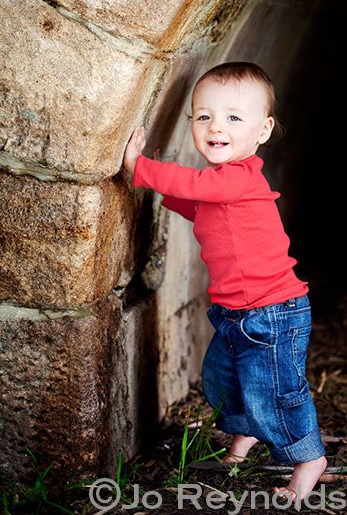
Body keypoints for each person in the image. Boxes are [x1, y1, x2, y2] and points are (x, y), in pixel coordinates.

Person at [123, 62, 327, 501]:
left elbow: (192, 184)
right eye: (203, 116)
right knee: (223, 380)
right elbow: (199, 207)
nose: (216, 126)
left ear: (263, 130)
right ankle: (243, 439)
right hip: (237, 312)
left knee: (274, 390)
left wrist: (140, 167)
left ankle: (308, 458)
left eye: (234, 117)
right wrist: (163, 194)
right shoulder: (220, 188)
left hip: (273, 313)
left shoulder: (239, 176)